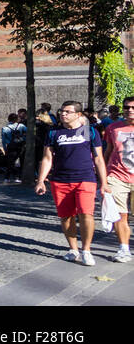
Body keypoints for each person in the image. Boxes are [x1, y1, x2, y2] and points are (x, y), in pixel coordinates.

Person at [36, 100, 109, 266]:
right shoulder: (54, 132)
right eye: (62, 111)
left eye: (68, 112)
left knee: (86, 214)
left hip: (85, 178)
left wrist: (103, 183)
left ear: (78, 114)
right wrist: (41, 180)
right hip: (60, 180)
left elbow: (98, 159)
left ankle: (87, 250)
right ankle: (73, 249)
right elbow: (47, 158)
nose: (63, 114)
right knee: (66, 217)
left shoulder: (88, 131)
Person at [101, 95, 134, 263]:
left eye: (133, 108)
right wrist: (103, 176)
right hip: (117, 176)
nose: (130, 110)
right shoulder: (113, 128)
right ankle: (124, 249)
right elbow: (108, 151)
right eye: (127, 107)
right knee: (120, 215)